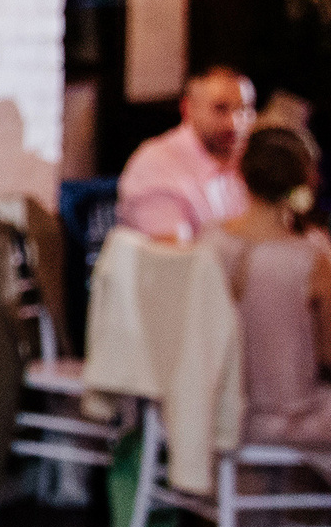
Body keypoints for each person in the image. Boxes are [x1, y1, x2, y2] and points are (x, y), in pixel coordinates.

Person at [201, 126, 331, 460]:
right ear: (307, 180)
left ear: (241, 172)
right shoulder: (312, 256)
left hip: (214, 415)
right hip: (288, 421)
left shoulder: (209, 243)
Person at [116, 66, 254, 243]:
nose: (234, 123)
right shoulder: (155, 164)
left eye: (244, 109)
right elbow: (175, 260)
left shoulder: (249, 158)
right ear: (188, 109)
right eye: (220, 108)